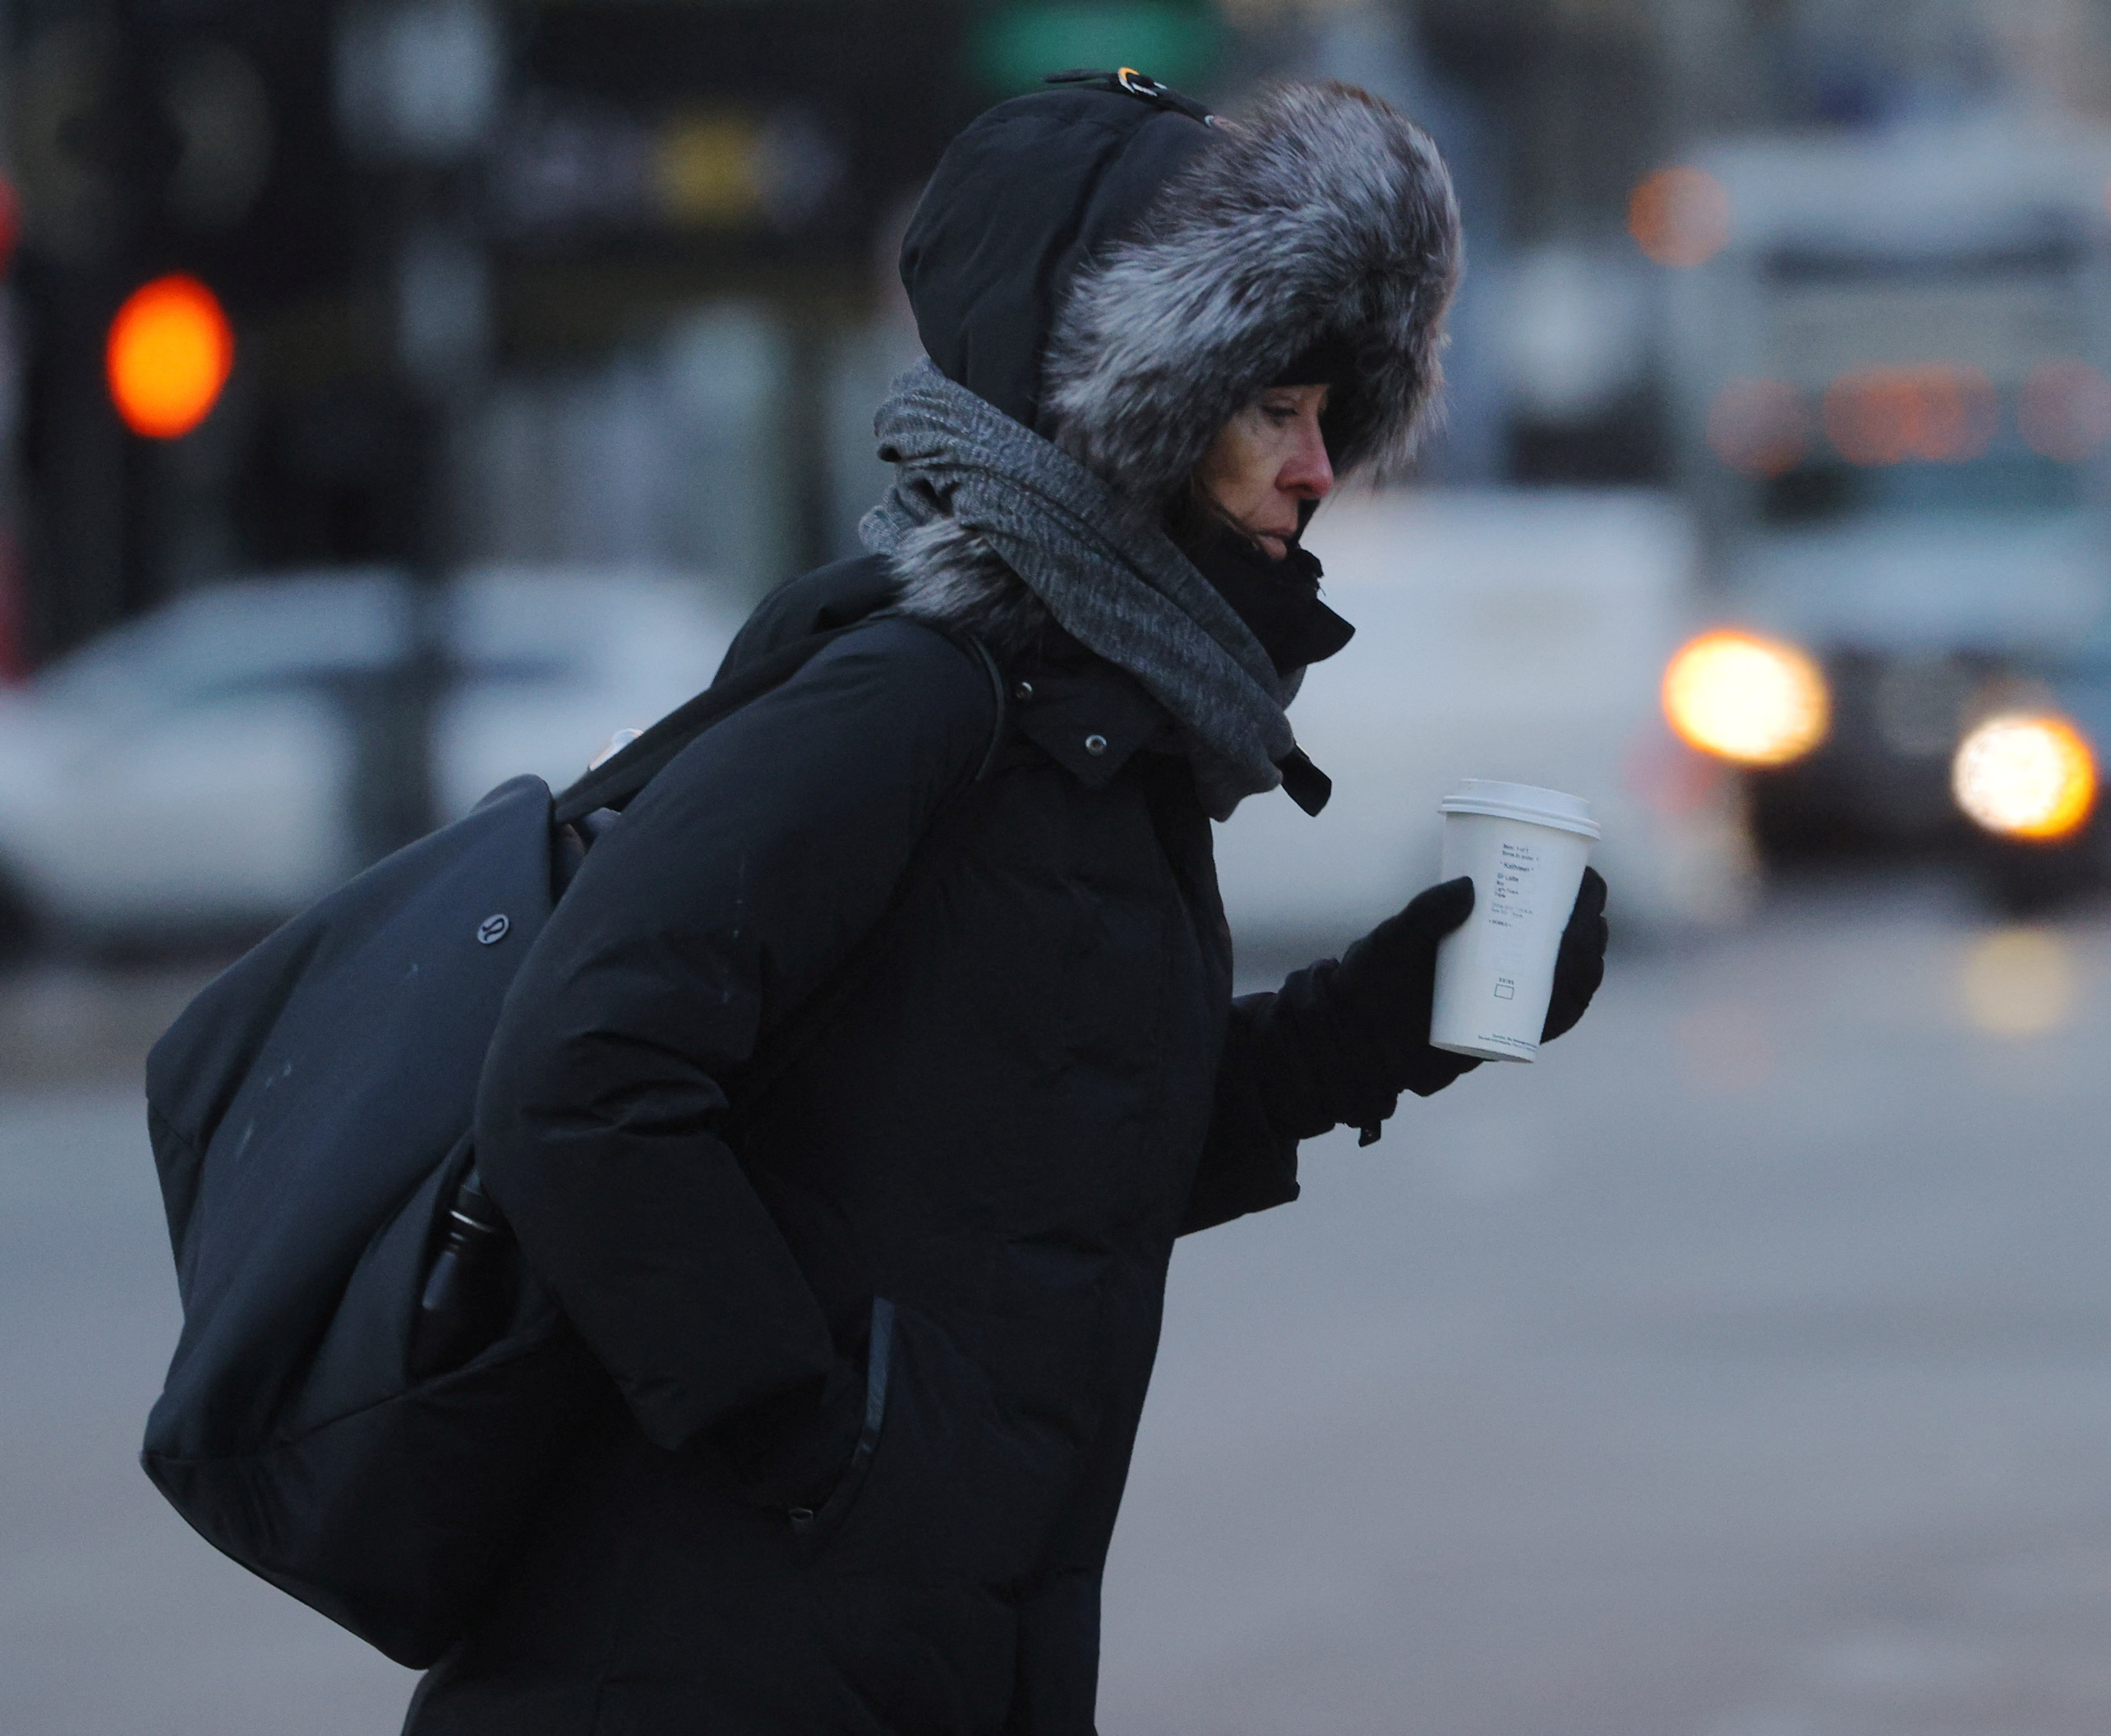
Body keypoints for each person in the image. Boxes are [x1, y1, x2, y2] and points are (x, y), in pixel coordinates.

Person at [405, 71, 1606, 1735]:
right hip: (712, 1667)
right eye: (1275, 408)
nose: (1319, 469)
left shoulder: (1095, 738)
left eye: (1335, 413)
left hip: (937, 1655)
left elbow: (1047, 1153)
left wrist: (1392, 1020)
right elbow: (577, 1082)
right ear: (1130, 406)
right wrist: (814, 1445)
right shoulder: (905, 706)